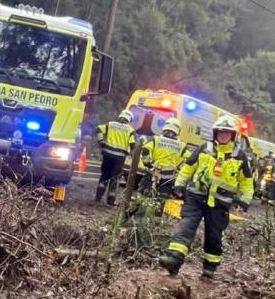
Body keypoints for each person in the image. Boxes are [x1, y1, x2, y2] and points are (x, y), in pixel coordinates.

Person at [158, 116, 253, 278]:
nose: (223, 135)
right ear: (215, 133)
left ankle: (210, 267)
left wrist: (244, 201)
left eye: (227, 133)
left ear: (233, 135)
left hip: (220, 203)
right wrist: (180, 184)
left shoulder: (239, 156)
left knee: (214, 234)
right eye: (220, 132)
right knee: (186, 226)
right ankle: (173, 260)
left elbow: (247, 182)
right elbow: (188, 168)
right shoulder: (204, 148)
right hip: (196, 197)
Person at [139, 118, 191, 196]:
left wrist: (148, 164)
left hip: (152, 175)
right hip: (168, 179)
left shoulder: (156, 139)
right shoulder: (182, 145)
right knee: (162, 200)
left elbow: (145, 150)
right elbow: (189, 160)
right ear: (178, 130)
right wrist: (179, 168)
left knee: (143, 196)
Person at [95, 109, 136, 205]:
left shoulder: (110, 124)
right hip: (119, 158)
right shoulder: (130, 130)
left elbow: (98, 129)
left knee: (105, 175)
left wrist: (101, 142)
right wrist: (131, 155)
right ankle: (110, 200)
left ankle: (98, 197)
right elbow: (132, 145)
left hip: (107, 155)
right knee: (115, 178)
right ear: (129, 119)